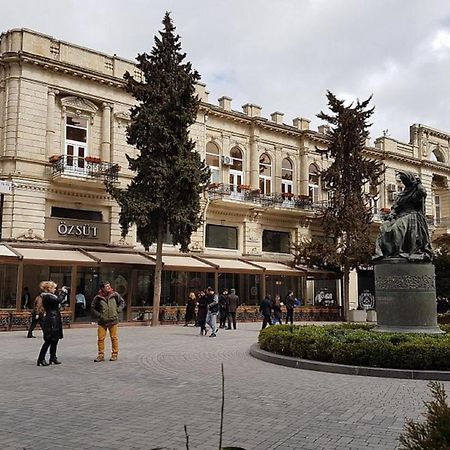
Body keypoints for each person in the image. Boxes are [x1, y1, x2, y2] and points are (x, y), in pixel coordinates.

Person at [374, 171, 433, 260]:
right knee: (384, 227)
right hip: (400, 215)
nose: (403, 182)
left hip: (412, 215)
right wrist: (391, 214)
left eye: (404, 179)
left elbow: (422, 193)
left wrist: (418, 184)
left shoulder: (417, 190)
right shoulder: (402, 194)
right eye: (402, 180)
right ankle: (386, 253)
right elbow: (395, 207)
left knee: (396, 228)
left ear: (410, 179)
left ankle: (399, 251)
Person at [91, 281, 125, 362]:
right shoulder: (98, 297)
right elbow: (92, 307)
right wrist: (99, 315)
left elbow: (122, 302)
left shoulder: (115, 294)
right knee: (100, 339)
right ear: (102, 288)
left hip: (113, 320)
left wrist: (118, 310)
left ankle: (114, 354)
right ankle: (101, 355)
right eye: (107, 286)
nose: (109, 287)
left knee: (114, 338)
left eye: (109, 286)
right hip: (102, 321)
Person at [36, 281, 68, 366]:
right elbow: (58, 300)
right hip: (51, 319)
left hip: (55, 318)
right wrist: (63, 292)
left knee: (55, 340)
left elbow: (58, 301)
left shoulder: (51, 296)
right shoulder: (47, 296)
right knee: (48, 340)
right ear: (49, 289)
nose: (55, 289)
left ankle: (53, 357)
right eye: (54, 288)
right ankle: (41, 358)